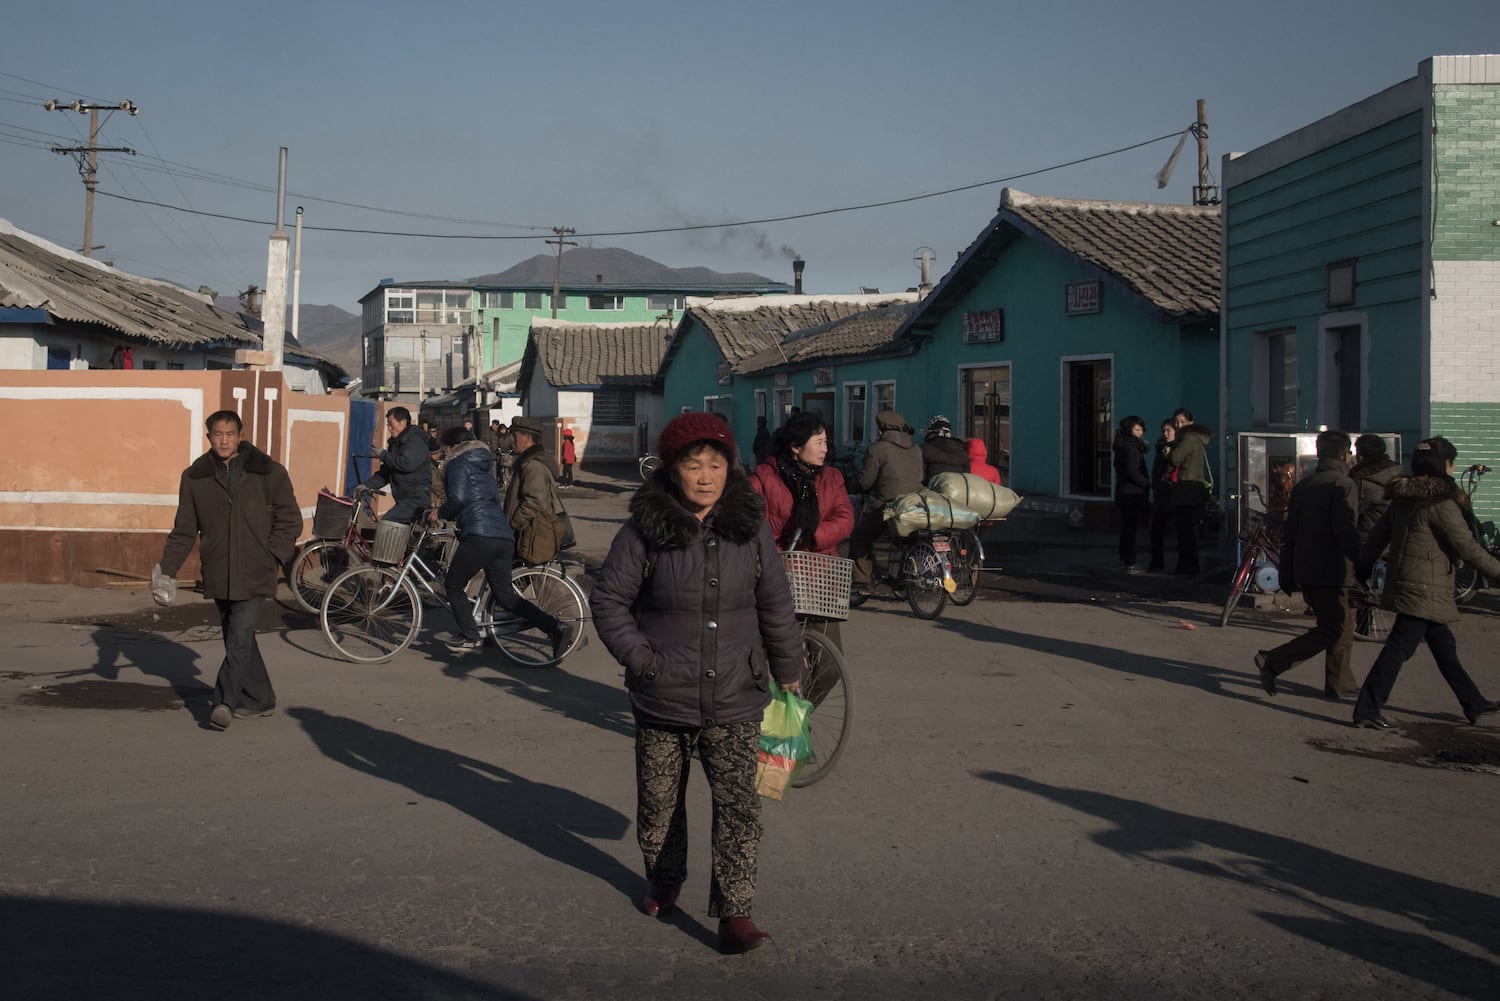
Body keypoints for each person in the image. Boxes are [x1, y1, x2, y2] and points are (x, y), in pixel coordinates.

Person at [589, 412, 804, 955]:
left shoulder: (749, 526)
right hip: (663, 691)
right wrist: (644, 661)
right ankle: (665, 878)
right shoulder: (645, 528)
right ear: (673, 471)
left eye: (715, 464)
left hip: (737, 692)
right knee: (660, 803)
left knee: (739, 806)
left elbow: (775, 604)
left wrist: (789, 673)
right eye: (693, 465)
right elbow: (609, 601)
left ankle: (736, 912)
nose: (705, 476)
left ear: (729, 467)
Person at [156, 411, 301, 732]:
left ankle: (224, 701)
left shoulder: (268, 472)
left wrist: (273, 554)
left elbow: (290, 519)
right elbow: (184, 530)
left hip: (256, 569)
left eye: (230, 434)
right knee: (240, 638)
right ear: (208, 437)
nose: (224, 440)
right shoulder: (195, 478)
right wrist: (167, 570)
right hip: (219, 569)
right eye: (217, 434)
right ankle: (261, 697)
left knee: (238, 638)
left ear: (240, 435)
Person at [1351, 437, 1500, 729]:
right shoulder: (1441, 503)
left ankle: (1474, 702)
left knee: (1444, 646)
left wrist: (1363, 567)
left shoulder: (1404, 499)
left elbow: (1377, 536)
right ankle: (1367, 709)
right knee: (1398, 648)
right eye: (1451, 462)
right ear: (1444, 465)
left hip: (1411, 583)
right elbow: (1469, 548)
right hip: (1425, 587)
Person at [435, 425, 570, 656]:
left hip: (480, 535)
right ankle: (555, 627)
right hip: (501, 536)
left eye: (444, 448)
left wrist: (439, 513)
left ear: (452, 446)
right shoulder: (484, 463)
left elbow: (456, 499)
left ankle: (470, 636)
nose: (443, 453)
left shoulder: (458, 463)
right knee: (505, 595)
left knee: (453, 584)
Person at [1252, 430, 1363, 701]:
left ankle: (1340, 682)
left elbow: (1291, 532)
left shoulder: (1305, 485)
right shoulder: (1343, 485)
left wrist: (1289, 570)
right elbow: (1345, 529)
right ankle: (1274, 660)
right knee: (1334, 627)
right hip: (1333, 568)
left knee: (1340, 625)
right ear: (1345, 455)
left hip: (1307, 564)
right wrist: (1363, 560)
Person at [849, 410, 925, 594]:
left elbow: (866, 481)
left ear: (881, 429)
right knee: (905, 539)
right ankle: (900, 577)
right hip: (915, 505)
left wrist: (851, 486)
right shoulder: (915, 449)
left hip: (889, 507)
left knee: (860, 536)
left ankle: (862, 581)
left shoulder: (878, 449)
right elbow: (921, 476)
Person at [503, 416, 563, 564]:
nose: (512, 440)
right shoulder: (528, 462)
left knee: (528, 579)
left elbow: (535, 501)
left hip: (531, 532)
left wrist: (514, 522)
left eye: (515, 436)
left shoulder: (532, 466)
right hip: (528, 532)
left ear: (528, 438)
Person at [360, 406, 433, 525]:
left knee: (388, 523)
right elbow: (386, 473)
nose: (389, 428)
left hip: (416, 498)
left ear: (403, 422)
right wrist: (366, 486)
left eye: (391, 424)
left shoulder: (415, 441)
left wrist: (384, 455)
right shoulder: (395, 444)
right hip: (403, 498)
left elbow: (406, 463)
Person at [1167, 408, 1212, 575]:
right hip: (1193, 489)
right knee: (1188, 533)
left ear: (1190, 423)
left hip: (1187, 489)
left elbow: (1175, 458)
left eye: (1181, 421)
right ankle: (1188, 567)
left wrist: (1170, 450)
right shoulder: (1197, 438)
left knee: (1185, 532)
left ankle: (1187, 568)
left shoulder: (1188, 438)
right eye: (1176, 421)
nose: (1177, 425)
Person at [1111, 416, 1150, 574]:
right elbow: (1133, 471)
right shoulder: (1131, 448)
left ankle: (1125, 558)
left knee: (1127, 527)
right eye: (1137, 429)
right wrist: (1146, 483)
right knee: (1130, 529)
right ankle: (1130, 561)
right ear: (1129, 430)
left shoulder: (1122, 445)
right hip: (1132, 493)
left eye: (1141, 429)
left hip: (1124, 491)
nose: (1140, 432)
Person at [1350, 433, 1401, 541]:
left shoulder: (1362, 481)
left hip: (1368, 539)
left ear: (1360, 456)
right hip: (1394, 537)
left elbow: (1350, 513)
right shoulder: (1397, 472)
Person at [1146, 419, 1177, 573]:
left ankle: (1181, 565)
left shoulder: (1178, 449)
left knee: (1177, 532)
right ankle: (1156, 563)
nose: (1165, 434)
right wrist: (1156, 485)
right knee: (1156, 530)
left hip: (1175, 495)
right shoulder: (1161, 448)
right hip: (1162, 495)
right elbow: (1156, 471)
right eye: (1163, 431)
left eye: (1168, 431)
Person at [919, 415, 969, 485]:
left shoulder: (924, 449)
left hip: (933, 493)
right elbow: (967, 479)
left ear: (932, 432)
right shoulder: (962, 452)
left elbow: (920, 478)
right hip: (958, 494)